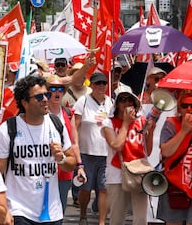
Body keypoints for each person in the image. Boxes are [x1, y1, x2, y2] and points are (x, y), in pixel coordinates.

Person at [0, 75, 76, 224]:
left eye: (47, 94)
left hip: (52, 211)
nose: (45, 99)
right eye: (38, 96)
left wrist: (61, 158)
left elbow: (71, 163)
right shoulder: (8, 129)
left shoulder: (56, 124)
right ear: (25, 102)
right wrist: (2, 209)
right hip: (19, 210)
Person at [101, 90, 156, 225]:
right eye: (122, 100)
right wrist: (125, 123)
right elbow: (117, 145)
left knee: (141, 219)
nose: (126, 103)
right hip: (117, 173)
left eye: (129, 100)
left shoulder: (141, 121)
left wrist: (151, 131)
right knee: (117, 218)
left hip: (139, 172)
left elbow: (147, 151)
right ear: (117, 104)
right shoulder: (108, 123)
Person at [74, 72, 113, 225]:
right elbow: (75, 125)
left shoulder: (110, 102)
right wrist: (74, 146)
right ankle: (83, 215)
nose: (101, 86)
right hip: (86, 152)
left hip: (106, 153)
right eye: (98, 83)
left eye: (104, 83)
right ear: (92, 85)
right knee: (85, 188)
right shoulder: (83, 101)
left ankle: (101, 222)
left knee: (104, 189)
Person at [46, 74, 86, 214]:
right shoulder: (40, 113)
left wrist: (80, 166)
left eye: (60, 89)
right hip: (43, 170)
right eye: (53, 88)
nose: (57, 92)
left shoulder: (69, 113)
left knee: (59, 211)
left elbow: (74, 143)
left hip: (64, 169)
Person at [157, 92, 192, 224]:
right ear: (179, 108)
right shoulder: (171, 124)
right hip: (174, 183)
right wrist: (183, 131)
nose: (189, 109)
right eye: (185, 106)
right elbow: (165, 151)